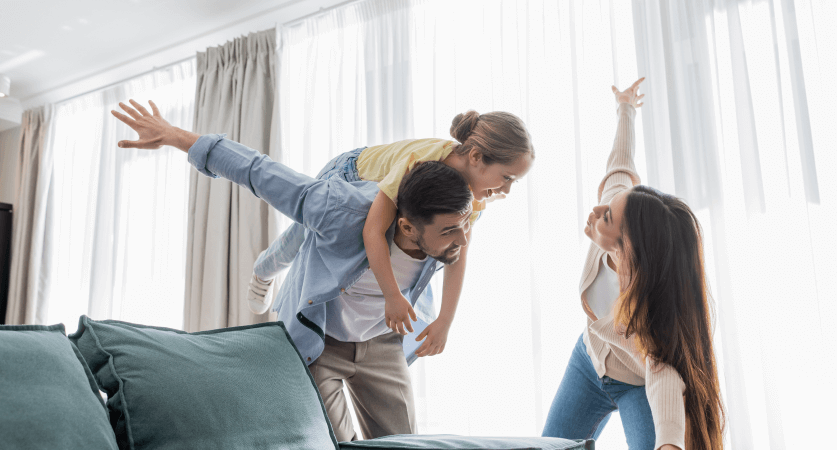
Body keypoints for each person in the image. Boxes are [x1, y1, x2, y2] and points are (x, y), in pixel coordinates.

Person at [110, 99, 476, 442]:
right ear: (408, 227)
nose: (462, 239)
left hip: (381, 342)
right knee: (333, 443)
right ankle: (264, 269)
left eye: (464, 225)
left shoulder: (451, 224)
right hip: (323, 340)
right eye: (449, 231)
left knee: (404, 445)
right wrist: (175, 136)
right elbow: (259, 171)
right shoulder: (338, 210)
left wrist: (445, 320)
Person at [247, 111, 535, 360]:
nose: (507, 191)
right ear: (475, 157)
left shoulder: (473, 199)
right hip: (351, 176)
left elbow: (457, 256)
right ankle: (264, 270)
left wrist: (445, 321)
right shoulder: (417, 163)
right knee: (300, 237)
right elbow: (373, 230)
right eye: (507, 178)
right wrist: (392, 296)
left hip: (395, 200)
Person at [541, 78, 725, 450]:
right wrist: (625, 107)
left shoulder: (653, 304)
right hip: (588, 361)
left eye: (607, 216)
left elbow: (663, 373)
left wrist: (670, 441)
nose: (596, 211)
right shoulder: (618, 209)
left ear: (629, 247)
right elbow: (620, 164)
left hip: (637, 384)